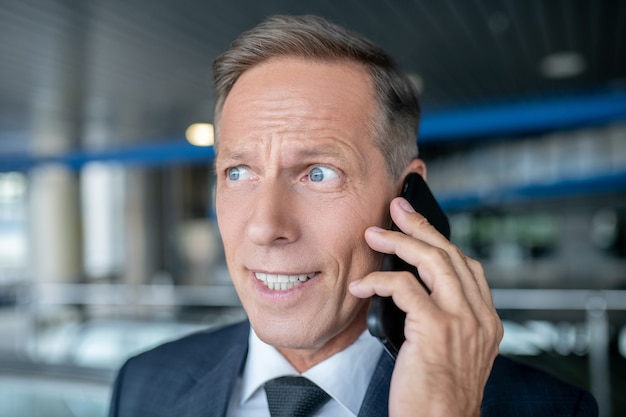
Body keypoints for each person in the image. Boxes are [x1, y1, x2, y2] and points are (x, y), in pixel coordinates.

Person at [108, 15, 598, 417]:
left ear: (409, 196)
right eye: (238, 172)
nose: (264, 226)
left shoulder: (551, 409)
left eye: (319, 173)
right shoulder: (144, 384)